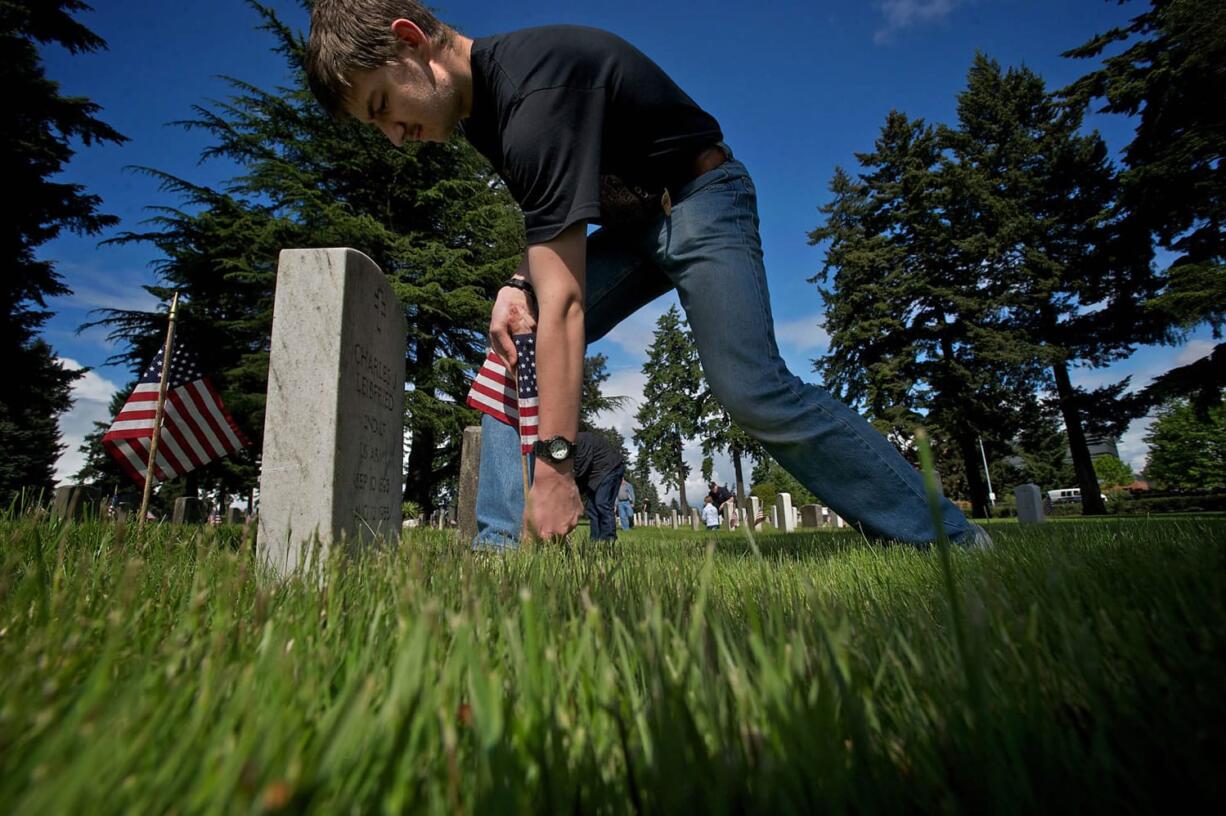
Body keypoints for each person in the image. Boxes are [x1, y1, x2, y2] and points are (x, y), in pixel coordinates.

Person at [305, 1, 988, 549]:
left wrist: (557, 465)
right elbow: (555, 218)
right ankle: (495, 550)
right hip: (632, 230)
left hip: (702, 202)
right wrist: (516, 288)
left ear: (409, 43)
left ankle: (950, 538)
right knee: (514, 342)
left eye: (382, 107)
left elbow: (566, 300)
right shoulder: (484, 112)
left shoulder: (533, 91)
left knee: (750, 389)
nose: (395, 135)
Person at [573, 431, 626, 541]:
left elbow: (582, 467)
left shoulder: (581, 440)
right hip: (599, 473)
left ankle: (609, 539)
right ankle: (595, 540)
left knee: (602, 503)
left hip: (609, 468)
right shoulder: (577, 441)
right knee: (592, 508)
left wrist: (574, 489)